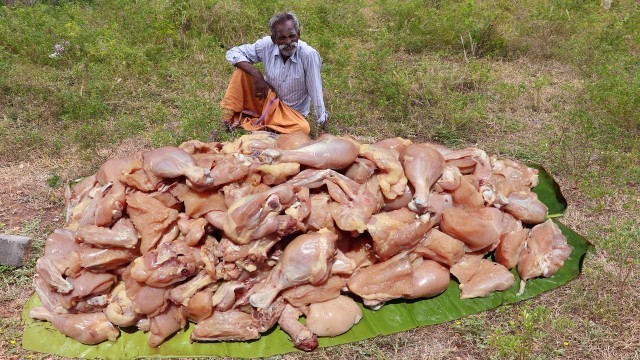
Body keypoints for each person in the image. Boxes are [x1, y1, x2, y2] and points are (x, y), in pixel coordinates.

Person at [220, 12, 327, 135]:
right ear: (274, 39)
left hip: (290, 113)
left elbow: (316, 91)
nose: (288, 42)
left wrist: (322, 121)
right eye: (282, 38)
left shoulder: (308, 55)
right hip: (267, 99)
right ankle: (228, 120)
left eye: (292, 36)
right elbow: (233, 53)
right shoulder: (266, 45)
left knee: (303, 128)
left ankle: (262, 125)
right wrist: (256, 75)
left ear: (298, 34)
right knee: (242, 72)